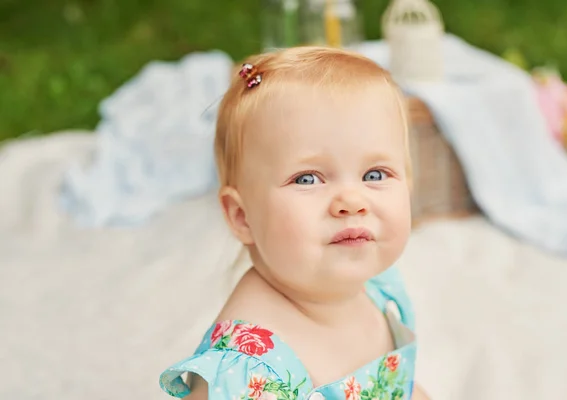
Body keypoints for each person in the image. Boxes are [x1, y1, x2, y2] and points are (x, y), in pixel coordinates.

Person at [159, 46, 430, 400]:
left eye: (375, 173)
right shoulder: (248, 372)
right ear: (242, 217)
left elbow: (396, 386)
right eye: (307, 179)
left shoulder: (376, 285)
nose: (351, 202)